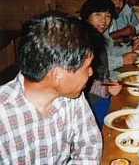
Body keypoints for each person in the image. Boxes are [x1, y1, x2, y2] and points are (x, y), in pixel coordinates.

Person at [0, 11, 102, 163]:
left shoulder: (72, 95)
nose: (91, 72)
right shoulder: (4, 116)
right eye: (87, 67)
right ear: (58, 75)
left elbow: (90, 147)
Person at [80, 0, 123, 127]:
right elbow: (84, 81)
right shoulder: (82, 40)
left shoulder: (97, 38)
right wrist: (106, 90)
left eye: (108, 16)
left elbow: (103, 75)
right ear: (87, 16)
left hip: (98, 96)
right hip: (88, 101)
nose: (103, 20)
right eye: (98, 14)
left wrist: (109, 85)